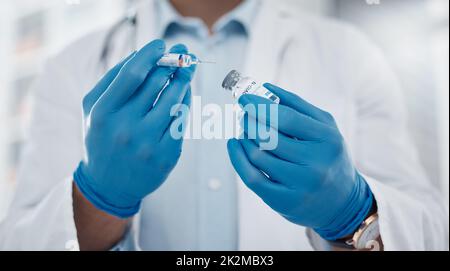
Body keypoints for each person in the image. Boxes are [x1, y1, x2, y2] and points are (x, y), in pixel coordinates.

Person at [0, 0, 448, 251]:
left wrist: (353, 212)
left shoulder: (350, 53)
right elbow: (22, 240)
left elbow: (431, 232)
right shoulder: (72, 64)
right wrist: (98, 199)